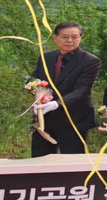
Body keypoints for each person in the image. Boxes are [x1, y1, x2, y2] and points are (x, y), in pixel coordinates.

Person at [28, 22, 101, 157]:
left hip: (73, 120)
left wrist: (56, 104)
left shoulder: (90, 61)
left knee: (72, 161)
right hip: (45, 119)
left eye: (74, 37)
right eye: (65, 37)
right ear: (55, 37)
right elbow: (35, 79)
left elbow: (82, 90)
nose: (69, 40)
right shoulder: (46, 57)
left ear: (80, 38)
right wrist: (37, 93)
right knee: (40, 159)